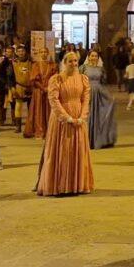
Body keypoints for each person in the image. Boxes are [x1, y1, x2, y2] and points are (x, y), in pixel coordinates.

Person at [36, 51, 93, 196]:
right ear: (64, 62)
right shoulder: (56, 79)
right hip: (61, 120)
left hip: (78, 119)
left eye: (75, 61)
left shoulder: (83, 79)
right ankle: (60, 185)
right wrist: (66, 117)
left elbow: (86, 99)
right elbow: (54, 100)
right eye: (70, 61)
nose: (73, 64)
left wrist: (82, 116)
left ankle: (77, 184)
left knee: (77, 149)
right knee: (62, 150)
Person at [80, 50, 117, 149]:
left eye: (96, 56)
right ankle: (86, 140)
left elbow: (103, 83)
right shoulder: (83, 68)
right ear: (88, 57)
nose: (94, 58)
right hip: (87, 92)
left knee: (99, 115)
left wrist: (109, 96)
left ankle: (99, 139)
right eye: (92, 56)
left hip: (99, 92)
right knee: (88, 116)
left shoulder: (101, 69)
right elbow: (79, 81)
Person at [24, 48, 57, 139]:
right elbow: (34, 79)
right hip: (38, 91)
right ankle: (39, 130)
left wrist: (48, 88)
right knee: (38, 110)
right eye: (41, 52)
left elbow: (55, 78)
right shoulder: (36, 65)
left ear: (48, 53)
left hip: (49, 90)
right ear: (39, 53)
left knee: (48, 110)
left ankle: (49, 130)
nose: (43, 54)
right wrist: (42, 88)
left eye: (45, 52)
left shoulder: (52, 65)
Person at [10, 46, 32, 133]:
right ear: (16, 53)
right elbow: (10, 76)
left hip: (30, 87)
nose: (21, 53)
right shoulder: (13, 63)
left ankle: (30, 126)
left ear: (25, 51)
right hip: (19, 87)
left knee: (30, 108)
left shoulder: (31, 62)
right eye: (19, 51)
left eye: (22, 51)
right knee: (18, 106)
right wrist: (11, 87)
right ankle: (18, 127)